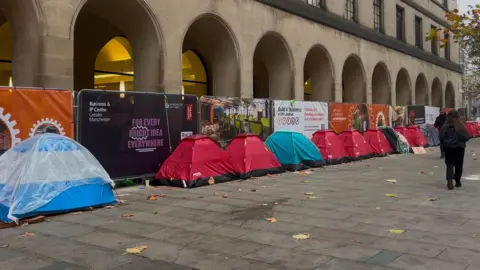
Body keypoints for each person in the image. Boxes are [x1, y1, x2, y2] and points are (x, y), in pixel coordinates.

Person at [439, 110, 470, 190]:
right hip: (459, 148)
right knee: (458, 165)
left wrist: (446, 142)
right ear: (457, 116)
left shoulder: (445, 126)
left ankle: (449, 181)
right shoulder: (460, 126)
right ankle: (457, 181)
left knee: (449, 164)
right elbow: (466, 137)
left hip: (448, 148)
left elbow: (441, 137)